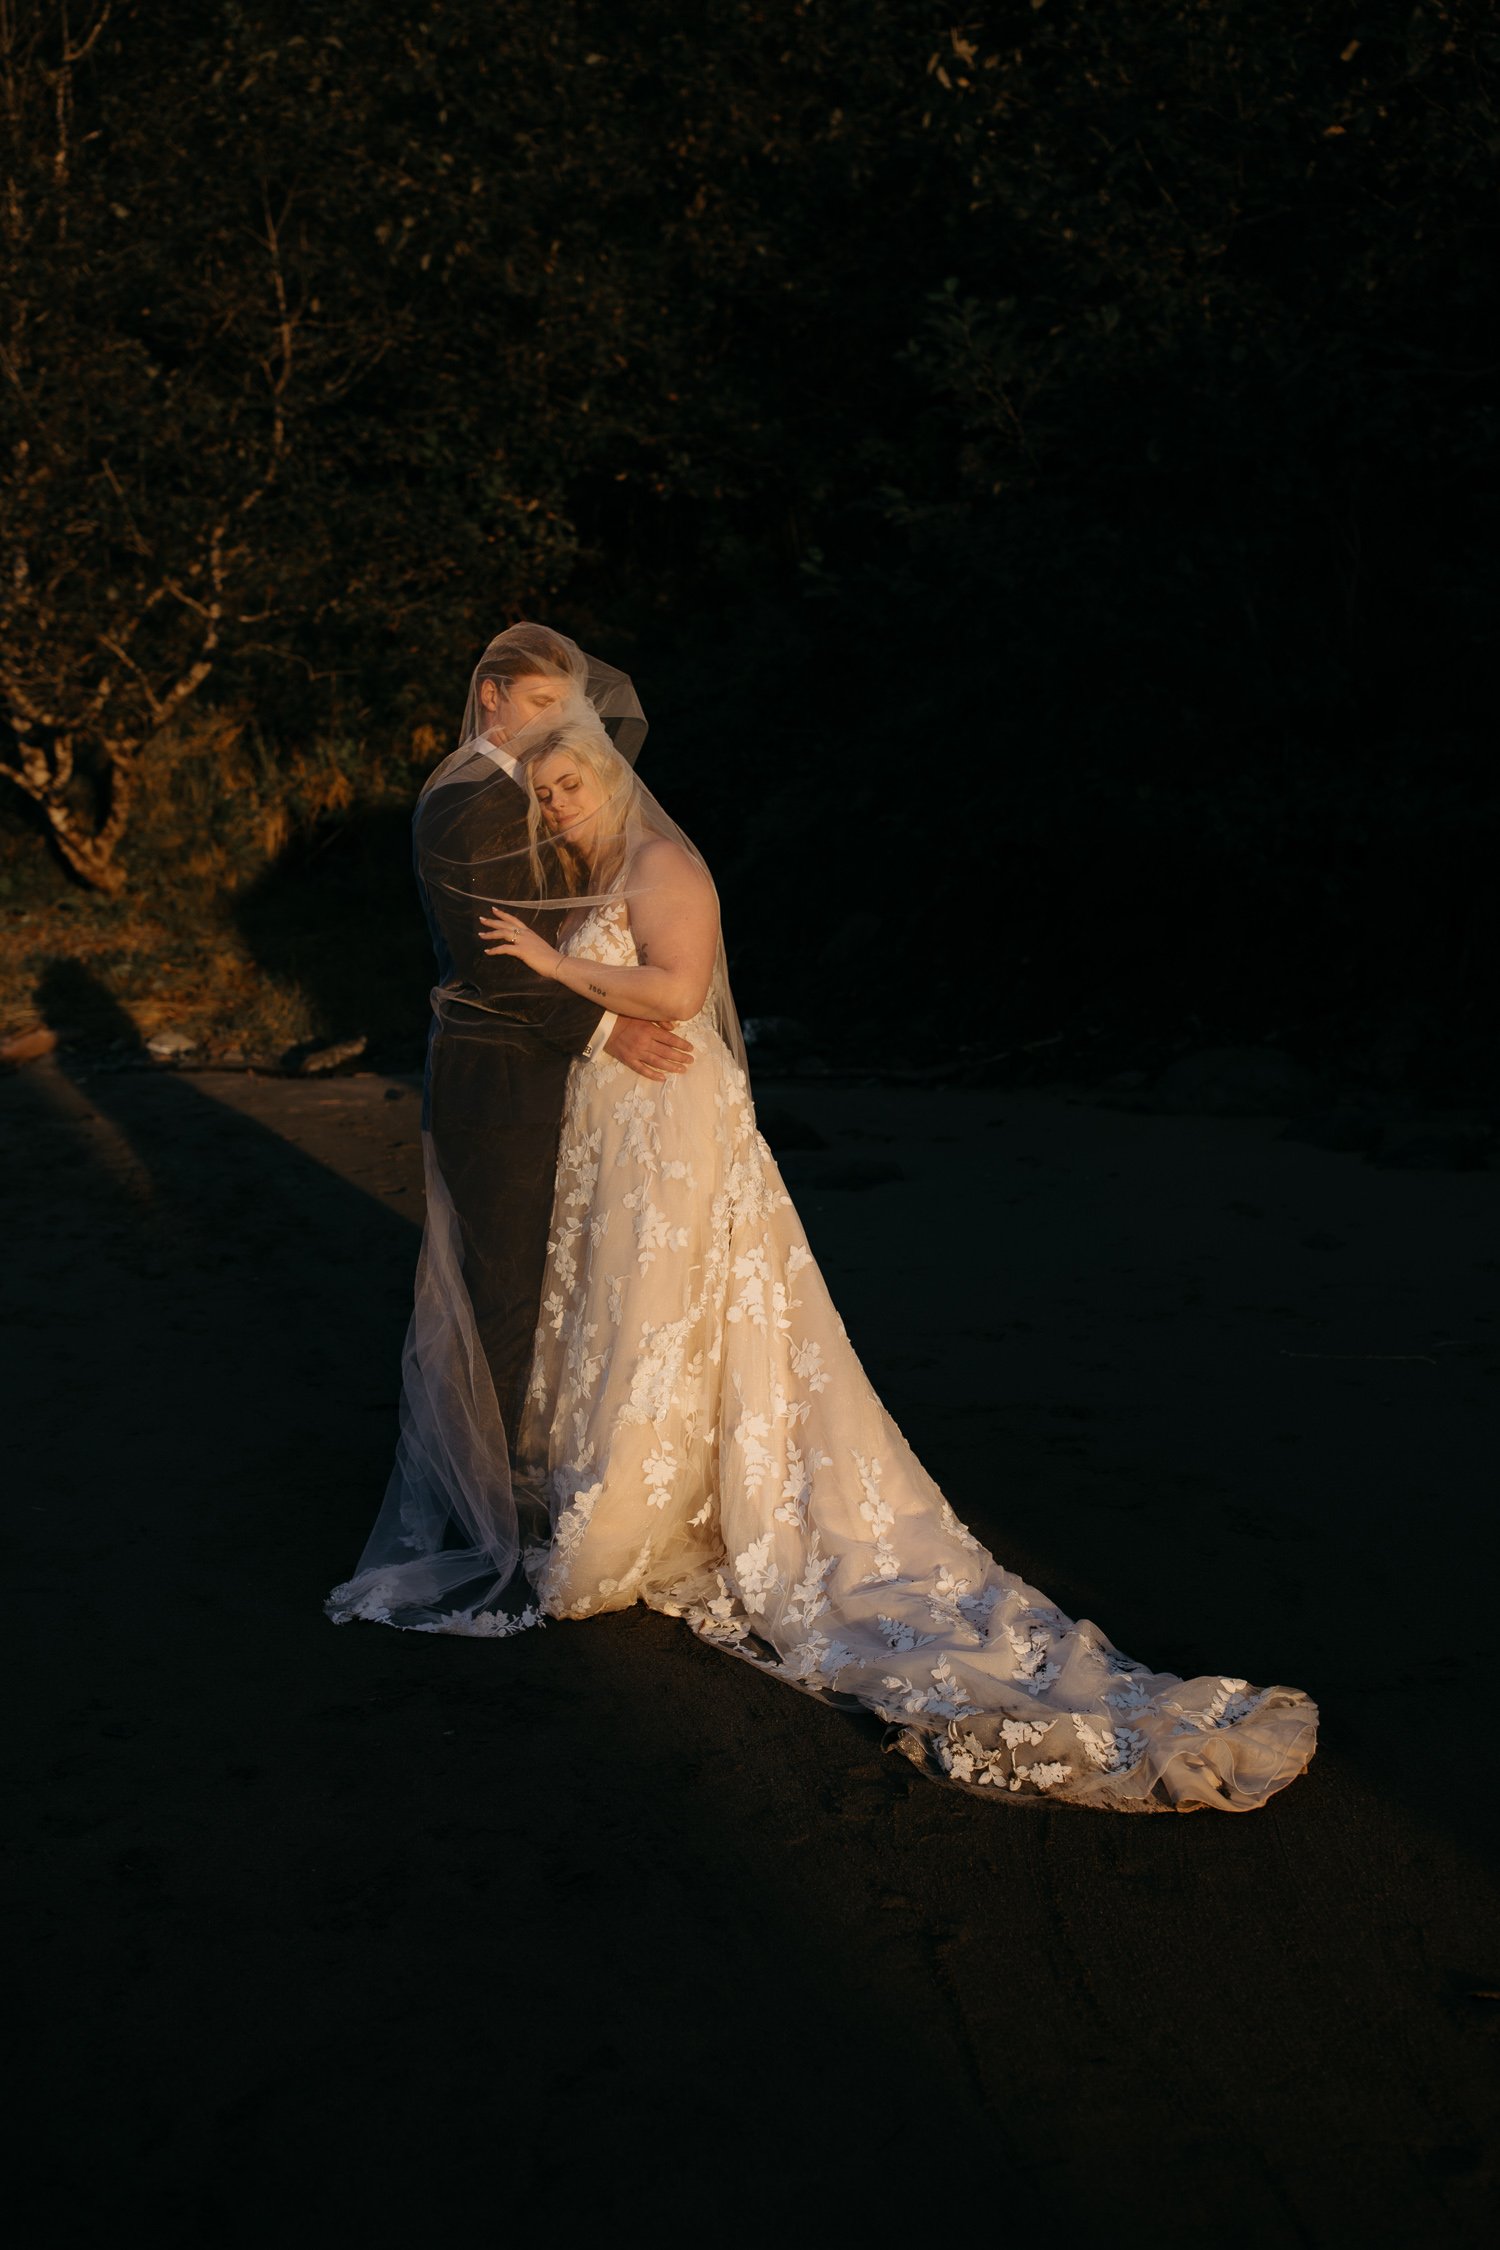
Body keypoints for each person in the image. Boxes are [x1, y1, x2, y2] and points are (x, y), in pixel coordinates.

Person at [328, 629, 1318, 1814]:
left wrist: (563, 973)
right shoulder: (498, 819)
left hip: (660, 1122)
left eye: (569, 766)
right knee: (618, 1305)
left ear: (605, 759)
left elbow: (675, 991)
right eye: (544, 774)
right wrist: (567, 983)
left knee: (670, 1298)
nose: (554, 789)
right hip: (595, 1124)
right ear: (494, 707)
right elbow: (507, 965)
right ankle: (607, 1488)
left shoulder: (657, 862)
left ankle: (621, 1504)